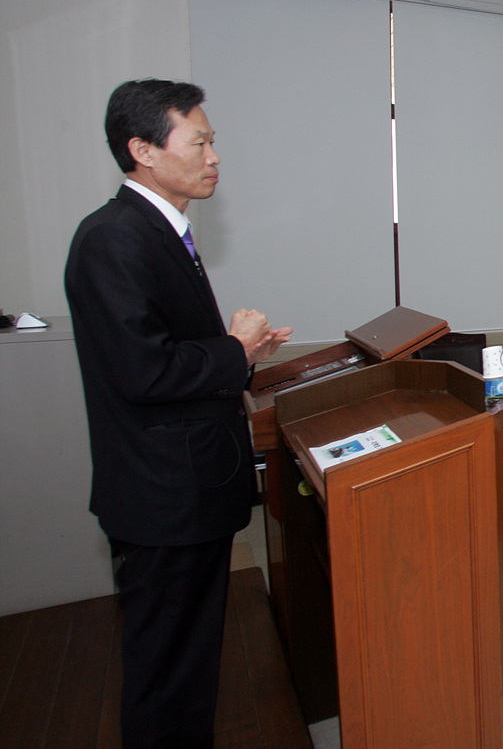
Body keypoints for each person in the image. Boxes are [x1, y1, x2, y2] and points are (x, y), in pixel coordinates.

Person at [64, 79, 293, 749]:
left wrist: (241, 351)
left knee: (189, 664)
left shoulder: (162, 229)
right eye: (199, 141)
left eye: (213, 140)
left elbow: (166, 350)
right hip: (163, 499)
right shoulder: (114, 238)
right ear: (143, 149)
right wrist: (232, 348)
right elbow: (143, 372)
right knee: (167, 673)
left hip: (187, 491)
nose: (214, 155)